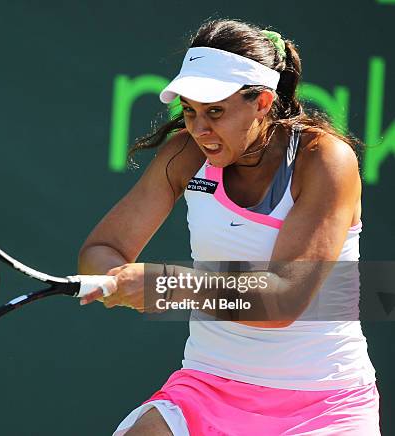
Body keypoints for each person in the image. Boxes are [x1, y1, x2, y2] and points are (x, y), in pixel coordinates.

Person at [77, 19, 381, 435]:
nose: (201, 130)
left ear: (262, 102)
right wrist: (115, 278)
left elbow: (283, 299)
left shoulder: (324, 160)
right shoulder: (183, 153)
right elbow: (103, 247)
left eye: (216, 112)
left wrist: (165, 286)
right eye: (190, 112)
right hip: (206, 386)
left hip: (323, 404)